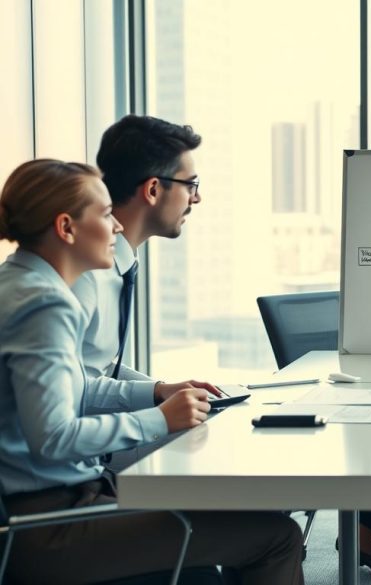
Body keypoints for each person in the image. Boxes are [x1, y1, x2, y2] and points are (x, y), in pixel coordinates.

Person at [83, 114, 371, 578]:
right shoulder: (85, 274)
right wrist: (158, 409)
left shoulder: (113, 265)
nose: (197, 197)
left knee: (249, 450)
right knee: (256, 478)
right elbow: (72, 395)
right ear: (153, 189)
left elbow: (97, 372)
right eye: (191, 184)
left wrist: (160, 388)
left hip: (99, 447)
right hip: (86, 468)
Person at [0, 159, 304, 584]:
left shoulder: (16, 282)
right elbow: (53, 438)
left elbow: (74, 387)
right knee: (277, 536)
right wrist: (159, 420)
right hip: (51, 527)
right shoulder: (45, 305)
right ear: (66, 228)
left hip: (49, 509)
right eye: (106, 214)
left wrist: (155, 393)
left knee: (233, 518)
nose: (117, 227)